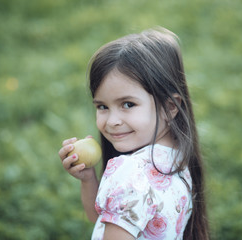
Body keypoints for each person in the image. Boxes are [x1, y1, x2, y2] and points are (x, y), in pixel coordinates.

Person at [58, 27, 209, 240]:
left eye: (128, 104)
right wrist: (88, 179)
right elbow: (101, 217)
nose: (112, 121)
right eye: (102, 107)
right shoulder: (178, 158)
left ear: (170, 107)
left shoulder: (130, 175)